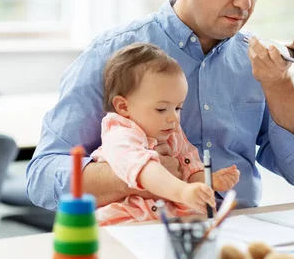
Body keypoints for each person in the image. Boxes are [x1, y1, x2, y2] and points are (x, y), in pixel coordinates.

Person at [27, 0, 294, 211]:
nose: (244, 2)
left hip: (237, 233)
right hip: (142, 237)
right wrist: (139, 174)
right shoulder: (112, 54)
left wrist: (279, 85)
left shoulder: (260, 65)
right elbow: (43, 177)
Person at [92, 43, 239, 225]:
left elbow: (190, 167)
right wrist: (183, 192)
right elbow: (146, 170)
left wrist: (208, 183)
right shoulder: (119, 135)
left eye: (178, 108)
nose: (173, 118)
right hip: (127, 217)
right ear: (123, 107)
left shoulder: (172, 132)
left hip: (169, 218)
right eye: (161, 109)